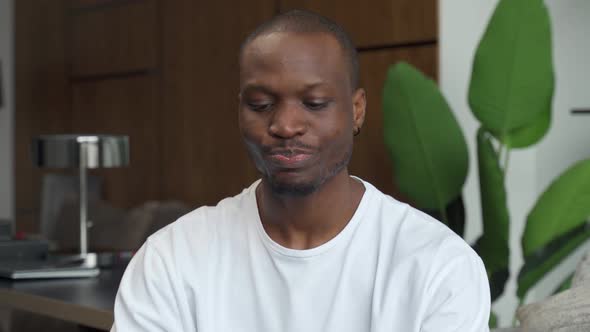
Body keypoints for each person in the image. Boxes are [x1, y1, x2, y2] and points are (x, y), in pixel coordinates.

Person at [111, 9, 490, 332]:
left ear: (356, 110)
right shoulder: (172, 259)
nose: (286, 124)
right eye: (260, 105)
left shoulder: (439, 266)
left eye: (314, 103)